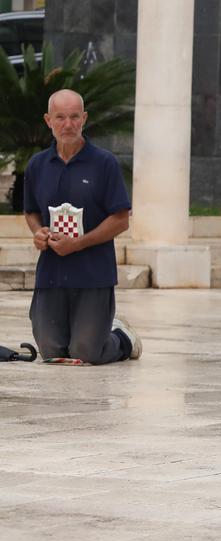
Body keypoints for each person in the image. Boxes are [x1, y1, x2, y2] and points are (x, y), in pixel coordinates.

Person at [22, 89, 140, 364]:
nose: (68, 124)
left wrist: (78, 243)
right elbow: (31, 212)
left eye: (74, 116)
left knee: (86, 353)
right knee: (51, 352)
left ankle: (122, 338)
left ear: (84, 118)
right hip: (51, 273)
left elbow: (121, 219)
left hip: (93, 274)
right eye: (60, 117)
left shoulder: (104, 163)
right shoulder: (37, 165)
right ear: (48, 120)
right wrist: (38, 232)